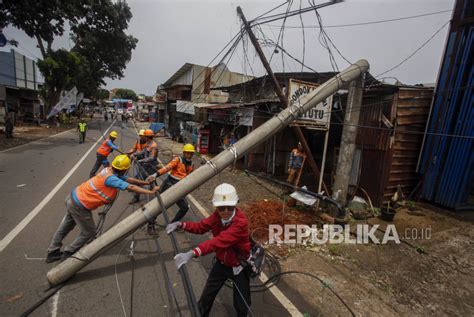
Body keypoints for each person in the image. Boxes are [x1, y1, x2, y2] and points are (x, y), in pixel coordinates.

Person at [46, 155, 160, 263]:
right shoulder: (111, 178)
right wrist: (151, 191)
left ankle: (52, 251)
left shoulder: (109, 170)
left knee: (66, 226)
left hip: (73, 197)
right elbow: (131, 186)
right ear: (123, 169)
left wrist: (146, 182)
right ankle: (68, 253)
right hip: (80, 205)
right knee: (89, 233)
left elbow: (130, 180)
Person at [167, 183, 251, 317]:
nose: (225, 211)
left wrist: (192, 253)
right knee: (207, 295)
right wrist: (181, 224)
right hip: (221, 263)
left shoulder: (240, 223)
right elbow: (201, 227)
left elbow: (219, 241)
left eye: (229, 207)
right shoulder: (217, 216)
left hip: (238, 266)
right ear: (216, 207)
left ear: (235, 205)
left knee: (241, 304)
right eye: (221, 208)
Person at [146, 143, 194, 234]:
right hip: (169, 184)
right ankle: (151, 225)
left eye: (191, 153)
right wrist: (156, 175)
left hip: (180, 187)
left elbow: (189, 176)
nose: (189, 155)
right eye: (188, 153)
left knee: (184, 207)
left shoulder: (192, 164)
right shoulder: (178, 159)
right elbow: (167, 168)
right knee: (161, 205)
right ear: (184, 153)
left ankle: (172, 225)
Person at [129, 129, 159, 206]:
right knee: (139, 181)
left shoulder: (154, 146)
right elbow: (143, 152)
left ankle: (157, 200)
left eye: (144, 136)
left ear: (148, 137)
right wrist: (135, 154)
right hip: (145, 166)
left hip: (151, 167)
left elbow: (152, 158)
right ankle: (136, 197)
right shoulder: (147, 143)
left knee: (152, 183)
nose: (142, 137)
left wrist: (140, 161)